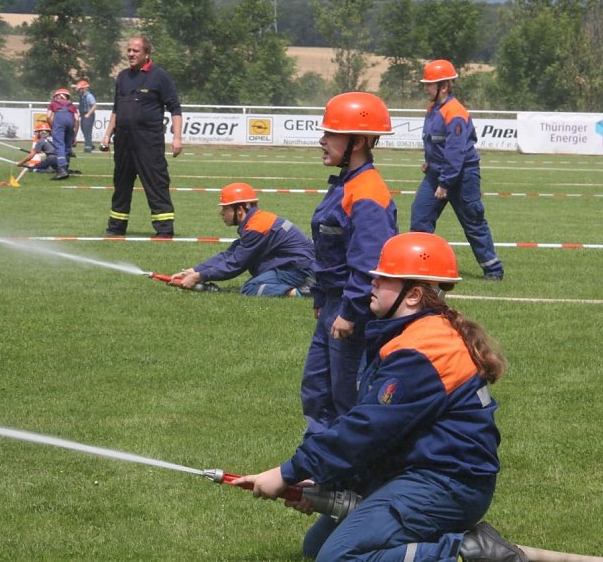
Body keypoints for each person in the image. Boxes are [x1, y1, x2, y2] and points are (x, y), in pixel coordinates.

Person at [234, 232, 517, 562]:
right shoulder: (415, 335)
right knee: (316, 547)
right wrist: (324, 480)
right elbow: (385, 433)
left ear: (412, 296)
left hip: (447, 486)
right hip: (419, 473)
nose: (372, 281)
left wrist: (287, 473)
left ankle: (463, 552)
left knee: (337, 558)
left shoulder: (422, 352)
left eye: (384, 278)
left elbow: (365, 429)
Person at [302, 91, 398, 437]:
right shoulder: (347, 185)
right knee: (317, 391)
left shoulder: (368, 193)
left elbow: (370, 263)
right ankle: (318, 466)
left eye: (331, 134)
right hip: (333, 303)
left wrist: (350, 311)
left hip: (352, 311)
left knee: (349, 398)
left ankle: (351, 478)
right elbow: (330, 252)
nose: (322, 141)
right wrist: (320, 298)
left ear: (357, 142)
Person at [411, 59, 504, 281]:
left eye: (429, 84)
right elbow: (435, 141)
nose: (425, 88)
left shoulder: (456, 112)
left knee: (473, 222)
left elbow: (455, 153)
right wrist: (429, 161)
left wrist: (445, 183)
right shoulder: (433, 109)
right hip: (437, 173)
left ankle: (493, 270)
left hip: (462, 176)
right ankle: (420, 267)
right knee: (419, 217)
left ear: (443, 86)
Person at [169, 182, 315, 297]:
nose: (221, 212)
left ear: (239, 210)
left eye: (225, 208)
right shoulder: (256, 222)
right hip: (300, 264)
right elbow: (229, 255)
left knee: (250, 288)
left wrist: (197, 277)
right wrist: (192, 271)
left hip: (299, 268)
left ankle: (305, 291)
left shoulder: (256, 227)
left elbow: (235, 264)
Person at [101, 35, 183, 238]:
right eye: (128, 50)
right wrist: (107, 134)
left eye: (135, 51)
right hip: (123, 141)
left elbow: (175, 108)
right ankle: (116, 228)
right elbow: (116, 109)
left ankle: (164, 230)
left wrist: (177, 138)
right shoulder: (122, 77)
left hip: (148, 141)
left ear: (146, 54)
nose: (130, 54)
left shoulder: (159, 77)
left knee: (156, 184)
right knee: (121, 185)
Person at [46, 88, 80, 180]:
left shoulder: (53, 104)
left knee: (60, 145)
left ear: (57, 96)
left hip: (59, 121)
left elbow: (48, 117)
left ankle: (61, 170)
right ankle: (66, 168)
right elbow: (77, 120)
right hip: (70, 121)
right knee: (67, 146)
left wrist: (53, 127)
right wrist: (74, 136)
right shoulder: (72, 106)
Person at [73, 80, 97, 153]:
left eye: (80, 89)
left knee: (87, 131)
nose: (79, 90)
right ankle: (90, 144)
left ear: (84, 89)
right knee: (84, 130)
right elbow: (74, 88)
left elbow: (94, 105)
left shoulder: (89, 96)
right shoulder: (82, 95)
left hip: (88, 115)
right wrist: (77, 86)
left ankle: (88, 147)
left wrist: (88, 114)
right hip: (83, 115)